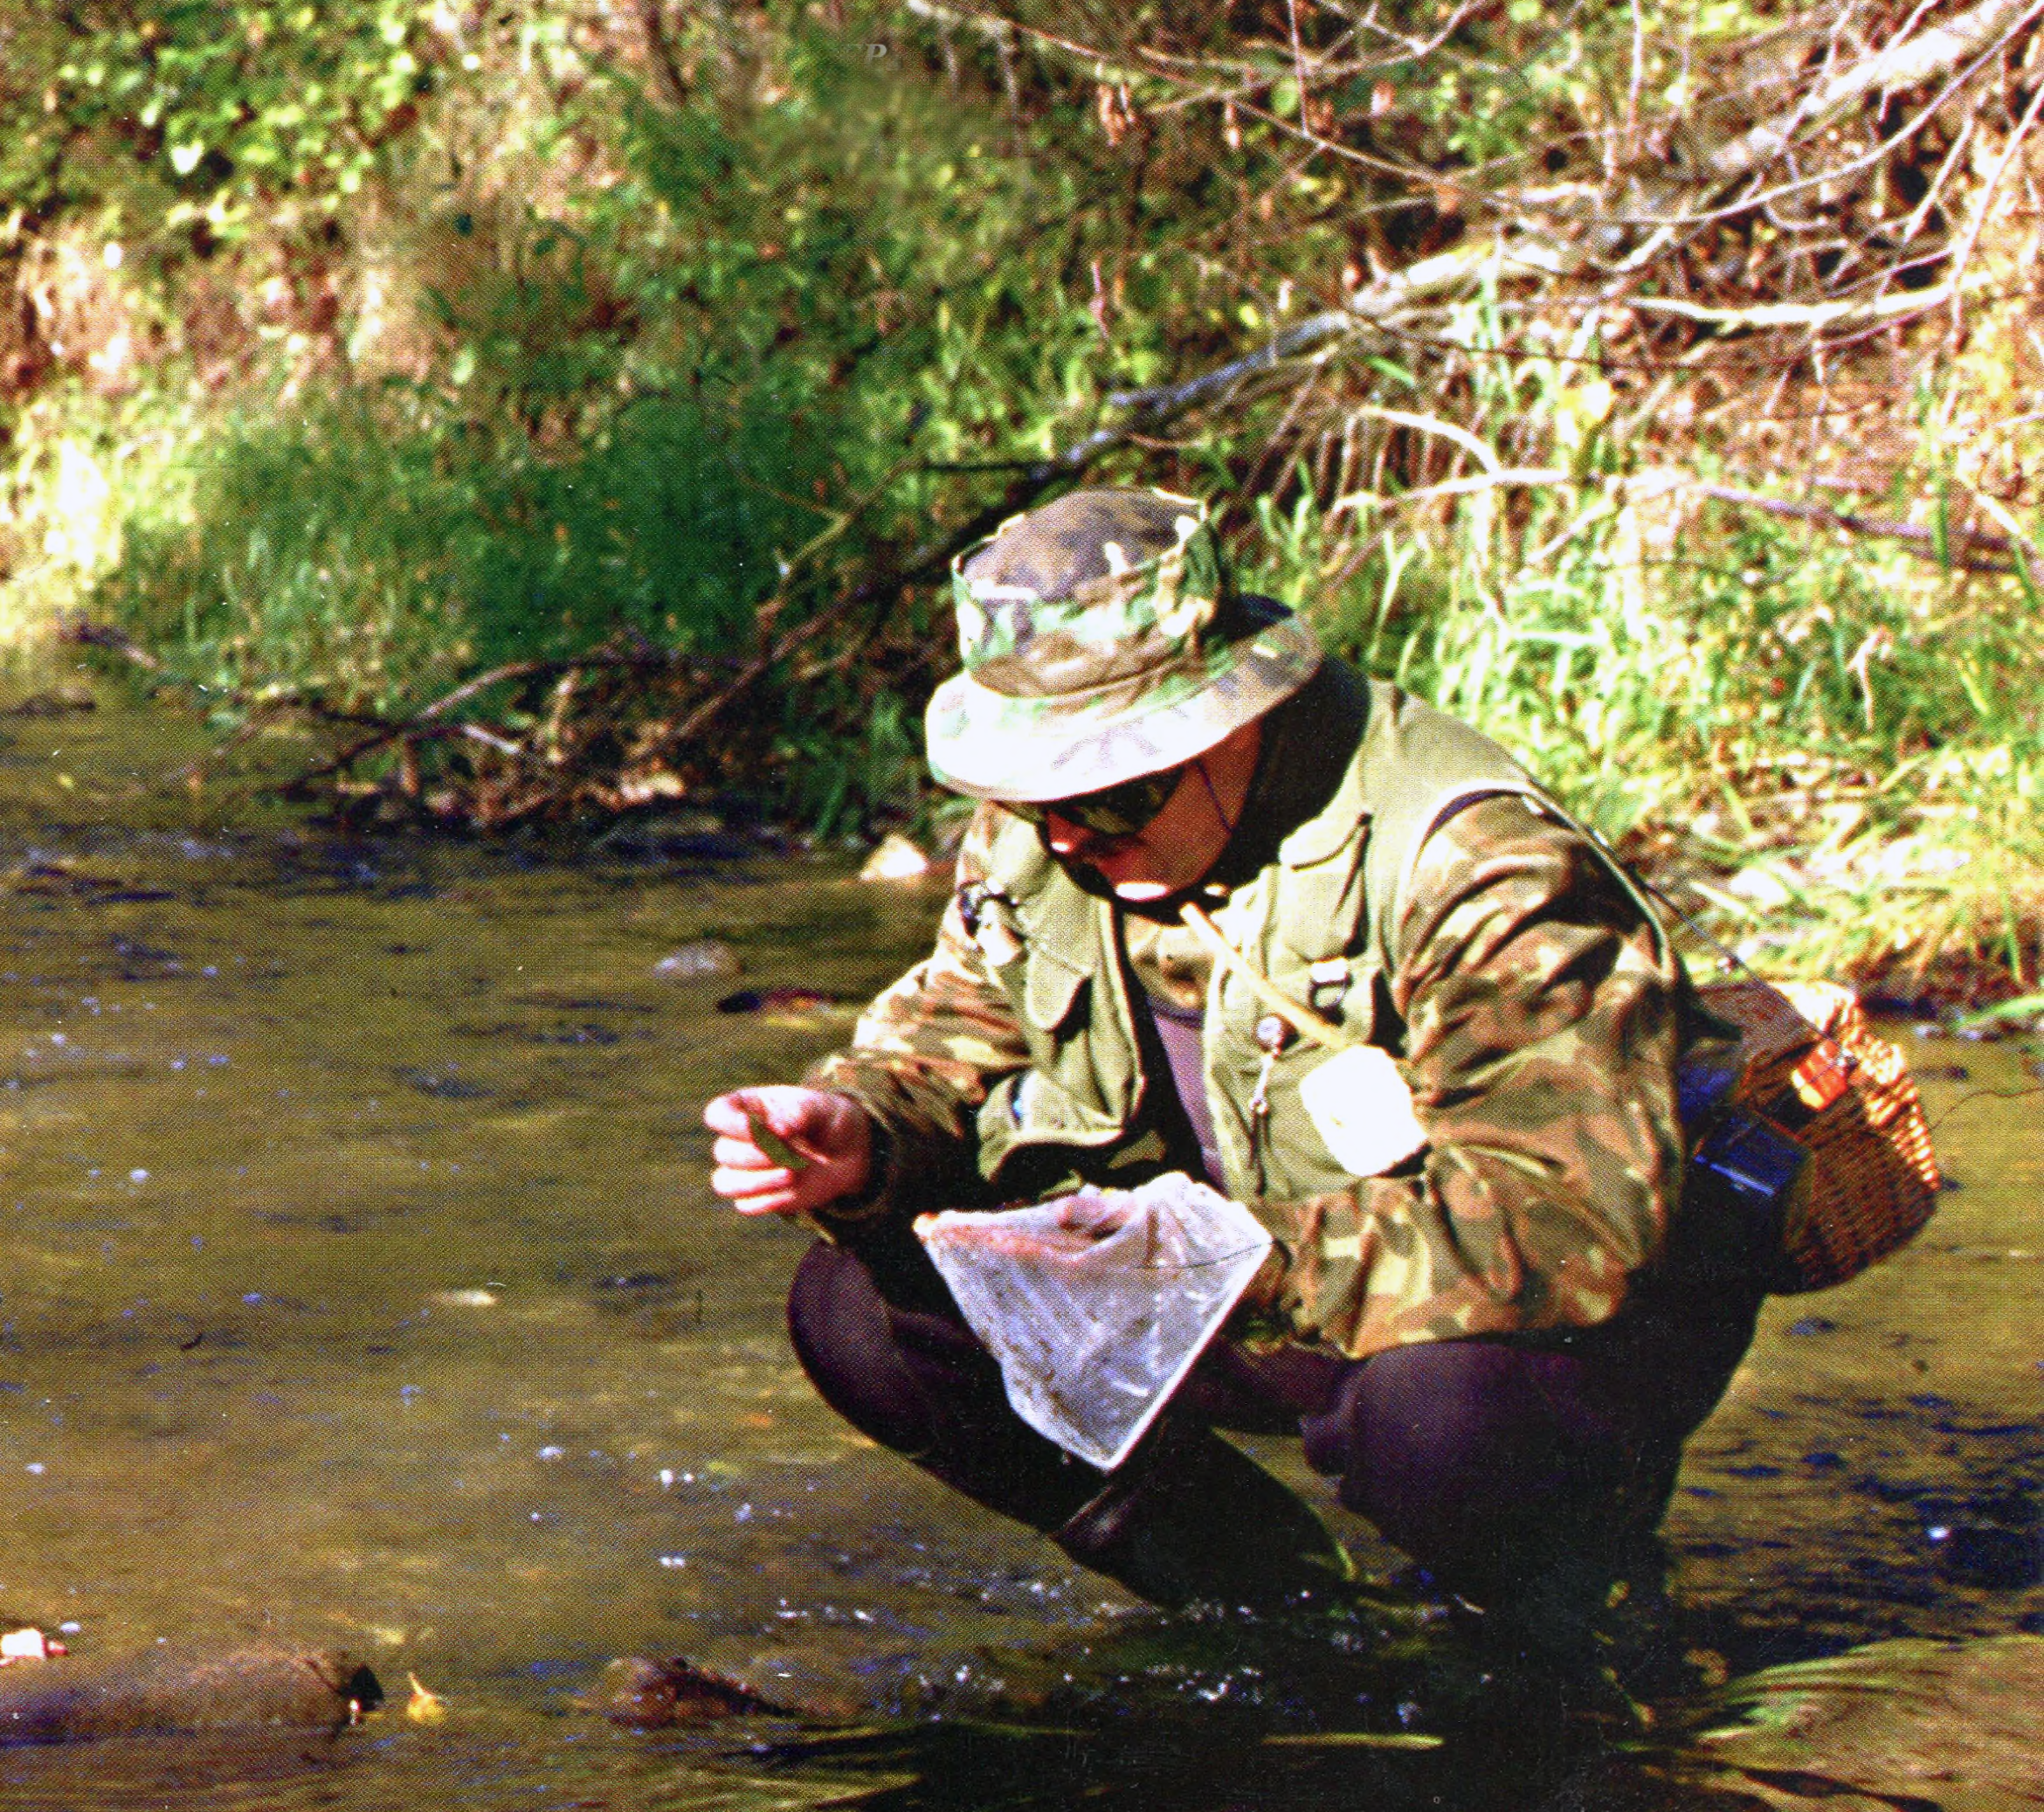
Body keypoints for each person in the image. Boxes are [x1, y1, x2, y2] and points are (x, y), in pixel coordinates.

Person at [703, 488, 1760, 1665]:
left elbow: (1570, 1221)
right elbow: (957, 1019)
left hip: (1544, 1317)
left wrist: (1229, 1264)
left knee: (1439, 1429)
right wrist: (859, 1127)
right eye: (1039, 796)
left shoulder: (1478, 864)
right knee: (858, 1308)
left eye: (1108, 791)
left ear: (1230, 722)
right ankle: (1277, 1613)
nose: (1068, 838)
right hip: (1237, 1283)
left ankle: (1573, 1626)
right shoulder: (1053, 829)